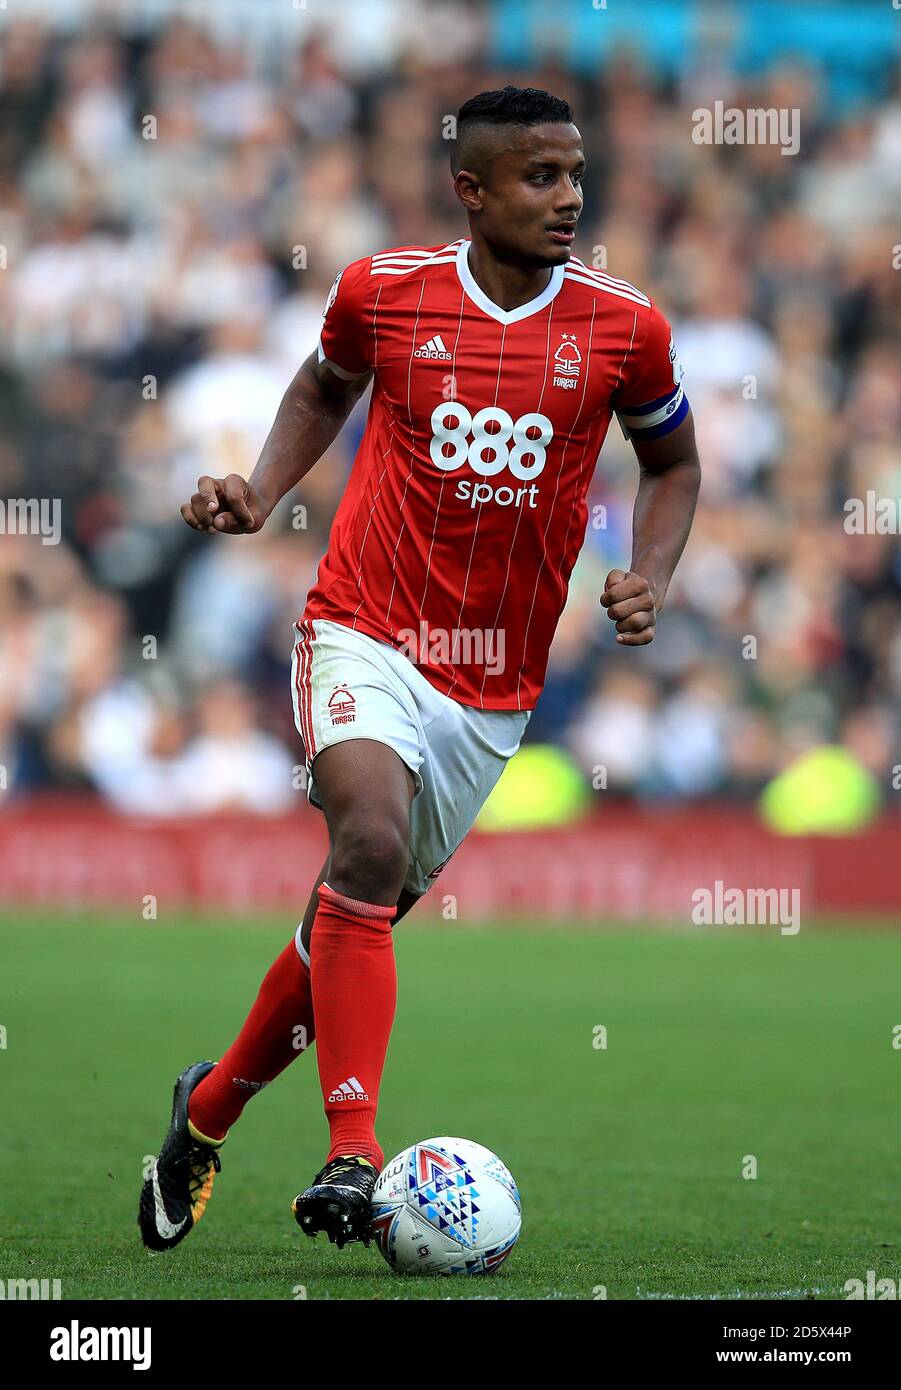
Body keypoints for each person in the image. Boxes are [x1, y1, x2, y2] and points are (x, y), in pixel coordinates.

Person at [139, 85, 701, 1253]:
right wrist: (261, 486)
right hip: (365, 624)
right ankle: (354, 1153)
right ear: (473, 189)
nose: (569, 197)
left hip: (494, 681)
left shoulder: (624, 325)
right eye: (541, 177)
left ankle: (205, 1110)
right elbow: (322, 382)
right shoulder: (384, 291)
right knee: (369, 845)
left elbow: (673, 462)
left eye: (574, 173)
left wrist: (650, 570)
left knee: (343, 919)